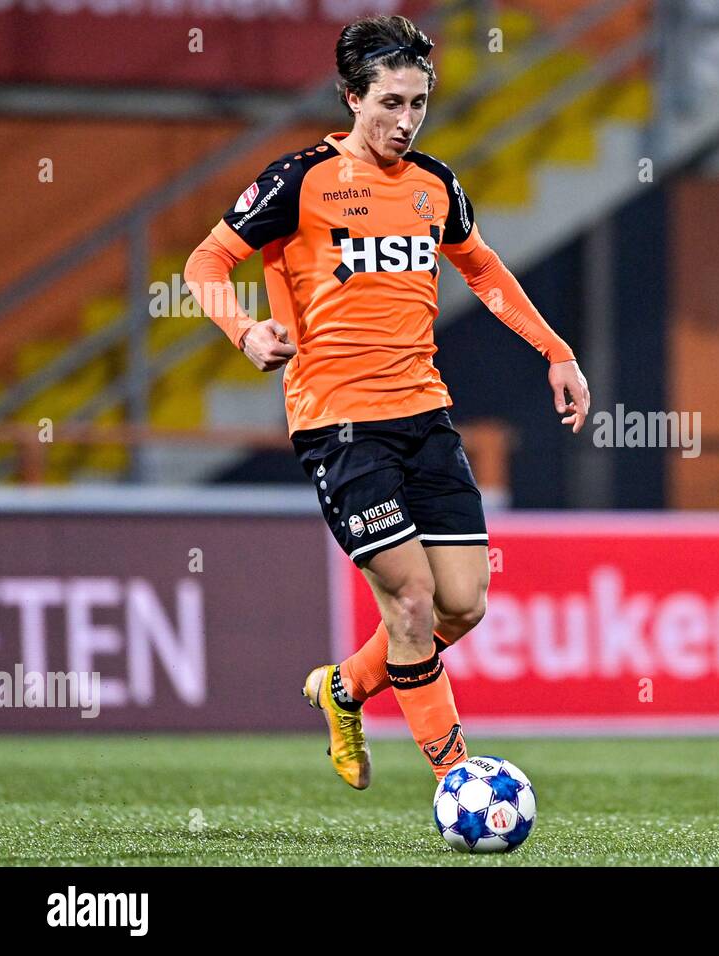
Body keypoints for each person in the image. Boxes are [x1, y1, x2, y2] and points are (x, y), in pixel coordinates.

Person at [184, 14, 590, 790]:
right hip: (338, 424)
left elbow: (484, 269)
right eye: (391, 103)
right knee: (409, 603)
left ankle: (342, 690)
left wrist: (556, 351)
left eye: (419, 104)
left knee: (460, 607)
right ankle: (461, 782)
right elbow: (207, 260)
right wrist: (243, 332)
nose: (406, 122)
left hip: (424, 417)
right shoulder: (297, 181)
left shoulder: (436, 185)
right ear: (350, 98)